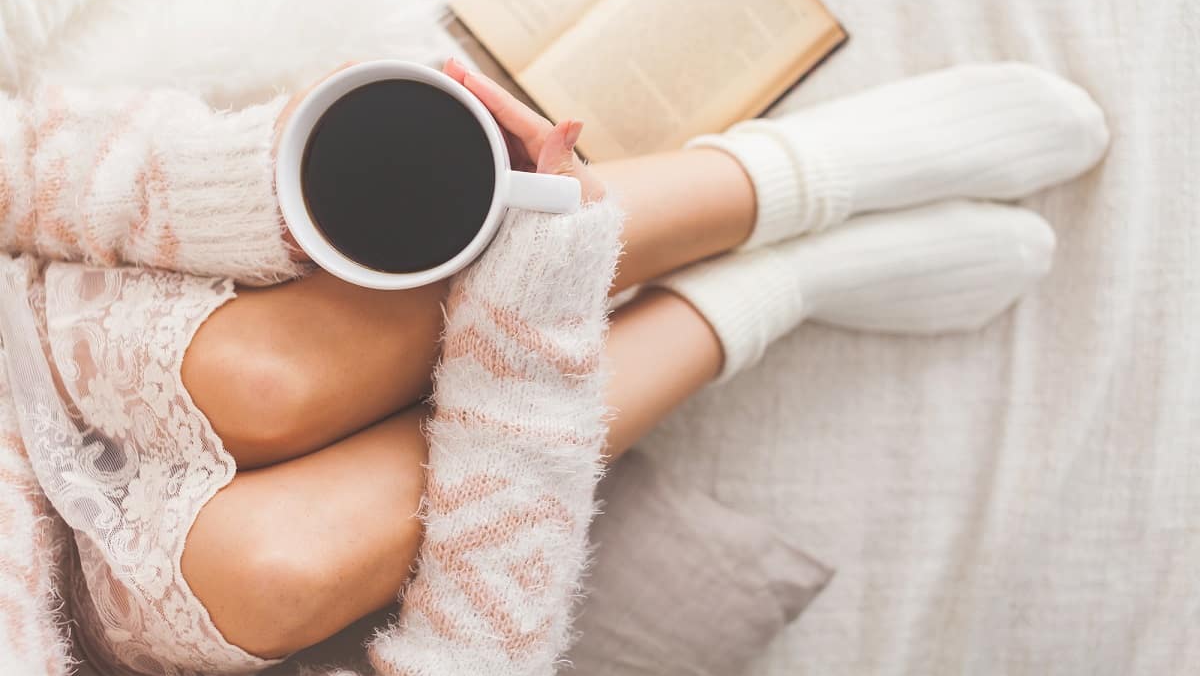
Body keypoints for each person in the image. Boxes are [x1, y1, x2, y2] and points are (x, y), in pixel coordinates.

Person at [0, 44, 1107, 674]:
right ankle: (756, 293)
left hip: (35, 340)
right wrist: (545, 285)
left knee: (263, 376)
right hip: (107, 621)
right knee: (278, 567)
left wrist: (263, 186)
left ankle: (775, 183)